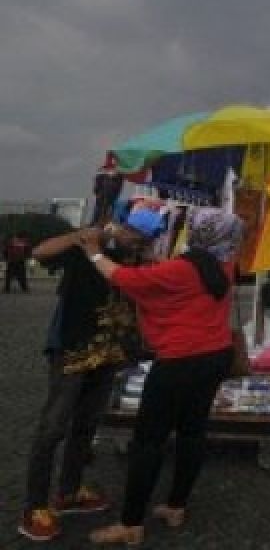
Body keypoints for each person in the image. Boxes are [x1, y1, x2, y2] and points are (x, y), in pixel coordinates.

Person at [81, 208, 243, 546]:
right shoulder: (226, 265)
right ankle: (176, 505)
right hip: (215, 356)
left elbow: (120, 277)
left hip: (179, 361)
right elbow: (168, 278)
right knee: (192, 432)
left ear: (196, 232)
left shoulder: (180, 270)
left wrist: (93, 249)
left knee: (148, 441)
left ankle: (131, 523)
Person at [18, 210, 160, 543]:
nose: (138, 244)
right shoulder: (87, 245)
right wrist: (81, 236)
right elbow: (38, 252)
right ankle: (34, 507)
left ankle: (68, 491)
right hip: (72, 350)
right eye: (135, 237)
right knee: (52, 428)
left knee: (87, 423)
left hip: (109, 352)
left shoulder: (135, 256)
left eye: (144, 240)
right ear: (121, 227)